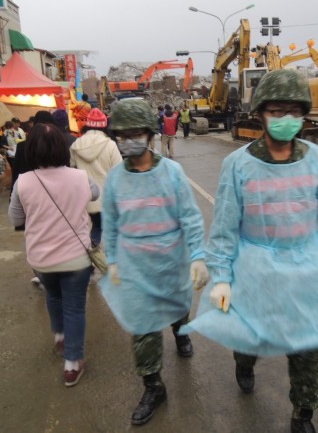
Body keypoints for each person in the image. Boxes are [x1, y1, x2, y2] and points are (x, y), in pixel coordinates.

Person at [182, 70, 318, 433]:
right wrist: (221, 277)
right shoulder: (238, 165)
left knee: (309, 343)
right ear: (262, 113)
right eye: (277, 111)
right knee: (252, 334)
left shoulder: (315, 158)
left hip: (309, 266)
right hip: (256, 268)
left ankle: (303, 412)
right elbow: (224, 227)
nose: (286, 119)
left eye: (294, 111)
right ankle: (244, 363)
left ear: (304, 114)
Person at [99, 98, 209, 426]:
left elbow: (189, 217)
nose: (129, 140)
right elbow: (111, 222)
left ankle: (181, 331)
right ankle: (153, 386)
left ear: (149, 134)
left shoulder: (172, 173)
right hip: (135, 267)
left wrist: (197, 256)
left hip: (171, 261)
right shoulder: (115, 179)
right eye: (123, 134)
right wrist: (114, 260)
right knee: (142, 327)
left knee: (177, 304)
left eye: (136, 133)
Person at [8, 122, 100, 387]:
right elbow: (96, 193)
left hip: (41, 260)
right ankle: (72, 363)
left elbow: (15, 217)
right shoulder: (80, 177)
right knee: (74, 307)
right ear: (62, 147)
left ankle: (60, 336)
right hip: (76, 259)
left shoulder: (23, 182)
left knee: (54, 296)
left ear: (31, 151)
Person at [70, 108, 122, 247]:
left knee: (97, 227)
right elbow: (118, 172)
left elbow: (72, 169)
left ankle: (92, 254)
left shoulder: (76, 145)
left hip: (86, 198)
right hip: (107, 198)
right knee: (110, 230)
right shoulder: (110, 145)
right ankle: (109, 259)